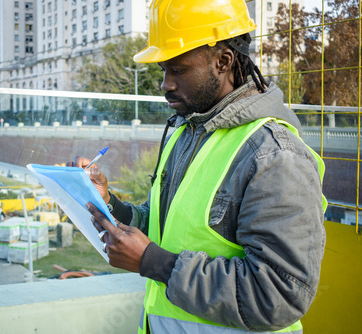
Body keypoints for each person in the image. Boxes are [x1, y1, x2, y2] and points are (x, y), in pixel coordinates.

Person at [68, 0, 326, 333]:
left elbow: (278, 293)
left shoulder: (273, 154)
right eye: (163, 70)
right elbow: (169, 230)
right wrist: (112, 206)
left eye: (178, 70)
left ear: (223, 61)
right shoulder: (187, 132)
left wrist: (153, 263)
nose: (165, 84)